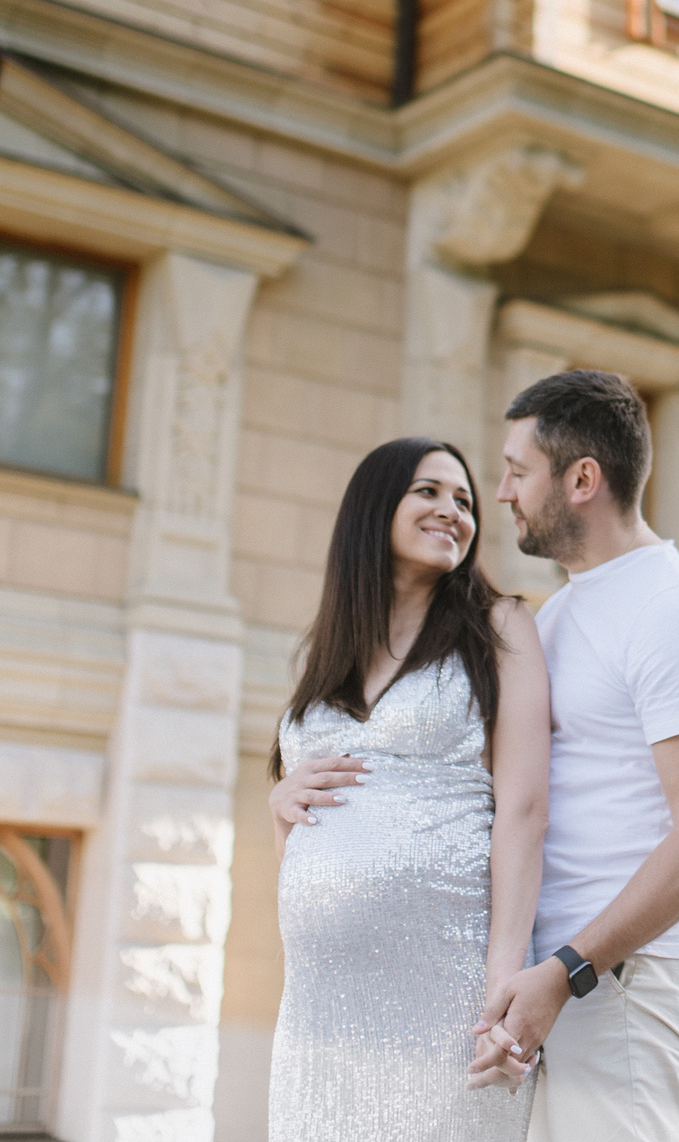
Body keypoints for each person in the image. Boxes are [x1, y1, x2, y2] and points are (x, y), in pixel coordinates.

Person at [470, 369, 679, 1142]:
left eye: (519, 471)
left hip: (623, 980)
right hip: (558, 982)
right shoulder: (559, 614)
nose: (502, 492)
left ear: (582, 478)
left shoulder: (675, 612)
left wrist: (567, 969)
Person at [267, 438, 550, 1140]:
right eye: (429, 491)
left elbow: (523, 811)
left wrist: (501, 992)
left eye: (464, 501)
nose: (452, 510)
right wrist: (281, 808)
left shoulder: (501, 625)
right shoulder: (328, 653)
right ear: (375, 506)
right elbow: (311, 834)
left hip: (445, 994)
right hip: (319, 1008)